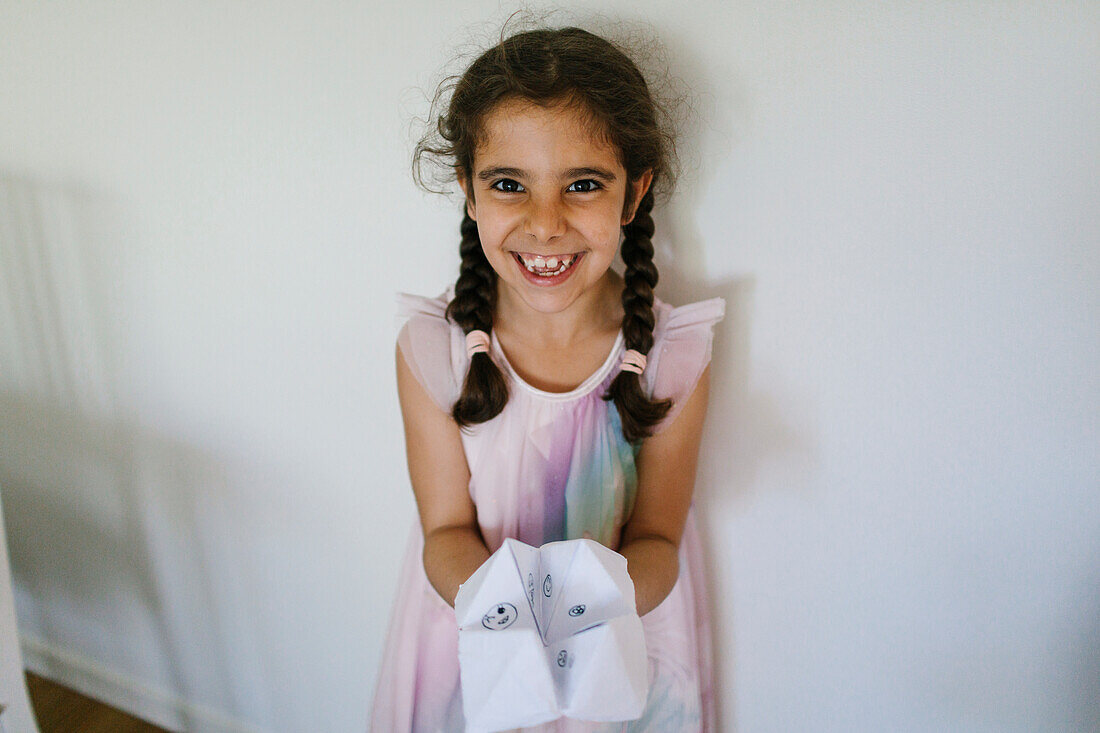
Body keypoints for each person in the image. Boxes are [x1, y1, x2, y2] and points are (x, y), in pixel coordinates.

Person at [371, 24, 725, 732]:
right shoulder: (432, 350)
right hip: (473, 649)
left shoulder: (672, 357)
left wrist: (585, 622)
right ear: (469, 194)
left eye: (583, 184)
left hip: (624, 656)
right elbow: (444, 529)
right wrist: (517, 632)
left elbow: (658, 536)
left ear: (633, 194)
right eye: (509, 184)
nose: (544, 223)